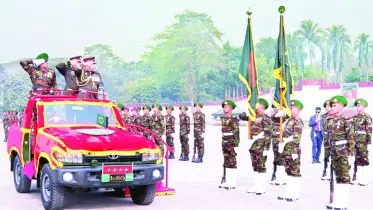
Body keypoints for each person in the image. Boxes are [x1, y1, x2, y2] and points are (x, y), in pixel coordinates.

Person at [326, 95, 355, 209]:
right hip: (334, 151)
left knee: (344, 177)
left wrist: (351, 154)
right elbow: (329, 137)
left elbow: (351, 138)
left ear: (342, 106)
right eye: (332, 105)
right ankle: (337, 201)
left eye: (335, 105)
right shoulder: (330, 120)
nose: (333, 107)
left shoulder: (346, 120)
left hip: (343, 151)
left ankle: (343, 203)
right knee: (337, 176)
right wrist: (328, 153)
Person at [239, 98, 272, 195]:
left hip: (261, 146)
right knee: (255, 166)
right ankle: (256, 186)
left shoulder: (266, 118)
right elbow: (242, 117)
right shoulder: (252, 116)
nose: (256, 108)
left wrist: (266, 148)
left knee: (261, 166)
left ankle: (261, 187)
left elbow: (268, 134)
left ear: (263, 107)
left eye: (258, 106)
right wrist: (246, 110)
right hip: (253, 146)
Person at [278, 100, 304, 202]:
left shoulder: (298, 121)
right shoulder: (289, 120)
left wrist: (294, 151)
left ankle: (294, 194)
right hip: (286, 148)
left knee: (295, 172)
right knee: (288, 171)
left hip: (293, 149)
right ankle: (288, 192)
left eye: (292, 108)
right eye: (290, 108)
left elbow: (297, 137)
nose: (290, 109)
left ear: (298, 109)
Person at [219, 100, 240, 190]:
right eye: (224, 106)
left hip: (231, 141)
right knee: (226, 160)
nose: (224, 108)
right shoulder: (224, 118)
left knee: (232, 161)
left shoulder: (233, 119)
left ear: (231, 108)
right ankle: (227, 180)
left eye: (226, 106)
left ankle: (232, 182)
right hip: (224, 141)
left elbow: (236, 131)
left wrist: (236, 143)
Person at [351, 98, 372, 186]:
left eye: (359, 106)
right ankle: (358, 178)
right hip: (356, 141)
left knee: (364, 159)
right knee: (357, 159)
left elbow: (369, 130)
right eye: (357, 106)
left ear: (364, 107)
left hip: (363, 141)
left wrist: (369, 142)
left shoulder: (367, 117)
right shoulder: (355, 117)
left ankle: (365, 179)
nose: (357, 107)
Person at [270, 104, 287, 185]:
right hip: (275, 140)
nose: (276, 109)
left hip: (282, 140)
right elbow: (273, 117)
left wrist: (282, 113)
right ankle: (274, 174)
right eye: (274, 107)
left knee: (282, 158)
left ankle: (282, 176)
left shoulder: (283, 116)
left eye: (277, 107)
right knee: (276, 157)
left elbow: (286, 117)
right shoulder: (273, 117)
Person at [321, 100, 333, 181]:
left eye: (329, 106)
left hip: (333, 137)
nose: (327, 107)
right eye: (326, 106)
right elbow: (322, 127)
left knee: (333, 155)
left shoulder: (334, 116)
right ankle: (325, 171)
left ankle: (332, 173)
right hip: (326, 138)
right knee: (326, 155)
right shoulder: (323, 116)